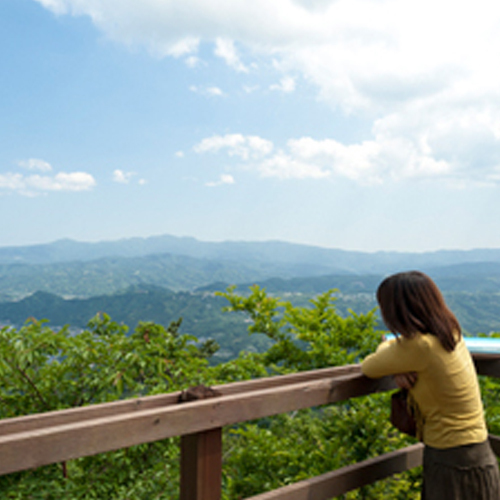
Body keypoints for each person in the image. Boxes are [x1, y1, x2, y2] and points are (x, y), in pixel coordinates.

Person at [361, 271, 500, 500]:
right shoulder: (451, 334)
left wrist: (395, 360)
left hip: (451, 460)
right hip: (478, 454)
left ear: (395, 310)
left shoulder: (418, 347)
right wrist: (399, 364)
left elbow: (369, 366)